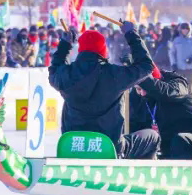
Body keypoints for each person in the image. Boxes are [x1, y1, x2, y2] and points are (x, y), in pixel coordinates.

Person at [48, 22, 159, 158]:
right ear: (103, 50)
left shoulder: (66, 75)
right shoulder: (114, 75)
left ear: (81, 50)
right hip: (109, 147)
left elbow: (54, 69)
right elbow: (146, 66)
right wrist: (132, 35)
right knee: (152, 136)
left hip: (72, 145)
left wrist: (65, 45)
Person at [128, 65, 192, 159]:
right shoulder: (138, 98)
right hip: (168, 149)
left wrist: (142, 76)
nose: (142, 93)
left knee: (180, 141)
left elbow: (166, 92)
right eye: (138, 89)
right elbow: (135, 125)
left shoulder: (176, 83)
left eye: (145, 88)